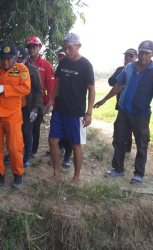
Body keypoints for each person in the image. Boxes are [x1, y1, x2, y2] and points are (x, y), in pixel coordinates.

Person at [94, 40, 153, 185]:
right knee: (119, 140)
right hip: (123, 112)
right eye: (141, 52)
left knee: (141, 145)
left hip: (141, 115)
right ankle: (118, 169)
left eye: (146, 52)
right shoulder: (129, 68)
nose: (143, 55)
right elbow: (119, 85)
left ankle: (138, 174)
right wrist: (104, 100)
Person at [45, 33, 95, 187]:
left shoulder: (86, 65)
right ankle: (57, 174)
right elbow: (58, 83)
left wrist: (89, 113)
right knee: (52, 141)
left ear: (79, 46)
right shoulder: (63, 63)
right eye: (65, 48)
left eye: (70, 48)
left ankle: (77, 178)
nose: (67, 51)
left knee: (75, 145)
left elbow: (92, 90)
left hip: (76, 113)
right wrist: (50, 101)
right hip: (59, 110)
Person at [0, 44, 31, 190]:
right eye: (3, 59)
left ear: (15, 58)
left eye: (9, 59)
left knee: (14, 147)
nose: (5, 62)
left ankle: (18, 176)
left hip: (13, 115)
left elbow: (26, 88)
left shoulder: (22, 70)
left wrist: (5, 89)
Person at [3, 48, 43, 168]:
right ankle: (12, 154)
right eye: (16, 60)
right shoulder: (10, 68)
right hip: (13, 108)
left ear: (26, 59)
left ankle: (27, 157)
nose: (18, 62)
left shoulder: (32, 70)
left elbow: (39, 90)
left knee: (26, 132)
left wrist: (35, 109)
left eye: (21, 60)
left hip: (27, 107)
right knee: (14, 132)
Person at [26, 36, 55, 158]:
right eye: (30, 47)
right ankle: (26, 147)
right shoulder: (23, 63)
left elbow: (51, 85)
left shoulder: (46, 65)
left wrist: (50, 103)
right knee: (25, 126)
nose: (32, 49)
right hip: (24, 101)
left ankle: (33, 150)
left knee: (35, 127)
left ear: (39, 48)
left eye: (34, 47)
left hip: (39, 102)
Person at [108, 48, 138, 153]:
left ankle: (127, 148)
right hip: (121, 104)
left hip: (136, 106)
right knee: (122, 126)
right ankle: (123, 148)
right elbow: (111, 82)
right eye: (126, 56)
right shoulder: (121, 69)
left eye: (131, 56)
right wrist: (123, 71)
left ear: (136, 57)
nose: (128, 58)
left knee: (131, 127)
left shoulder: (139, 70)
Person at [55, 49, 73, 168]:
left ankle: (68, 156)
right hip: (58, 104)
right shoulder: (59, 68)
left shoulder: (74, 68)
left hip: (71, 107)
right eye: (59, 56)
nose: (61, 58)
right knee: (57, 131)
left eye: (63, 56)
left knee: (69, 133)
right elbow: (56, 85)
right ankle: (59, 147)